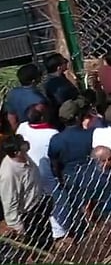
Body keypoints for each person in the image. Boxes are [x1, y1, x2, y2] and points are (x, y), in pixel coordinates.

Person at [14, 104, 66, 242]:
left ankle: (39, 233)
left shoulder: (22, 127)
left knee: (33, 203)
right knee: (57, 202)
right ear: (42, 117)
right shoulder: (52, 134)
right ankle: (58, 233)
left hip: (28, 172)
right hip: (46, 173)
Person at [47, 98, 96, 239]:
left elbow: (54, 163)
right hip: (92, 175)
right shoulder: (91, 134)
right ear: (77, 117)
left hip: (70, 179)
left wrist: (60, 178)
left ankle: (83, 236)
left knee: (77, 210)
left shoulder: (56, 140)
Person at [0, 134, 51, 247]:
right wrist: (18, 228)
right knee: (36, 244)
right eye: (22, 144)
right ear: (16, 153)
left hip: (39, 203)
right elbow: (9, 203)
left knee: (46, 234)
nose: (26, 144)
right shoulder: (9, 174)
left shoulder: (23, 157)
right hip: (28, 214)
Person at [4, 64, 47, 130]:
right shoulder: (39, 99)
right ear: (33, 81)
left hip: (22, 130)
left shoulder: (12, 93)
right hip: (35, 130)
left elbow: (11, 116)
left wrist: (17, 132)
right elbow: (44, 120)